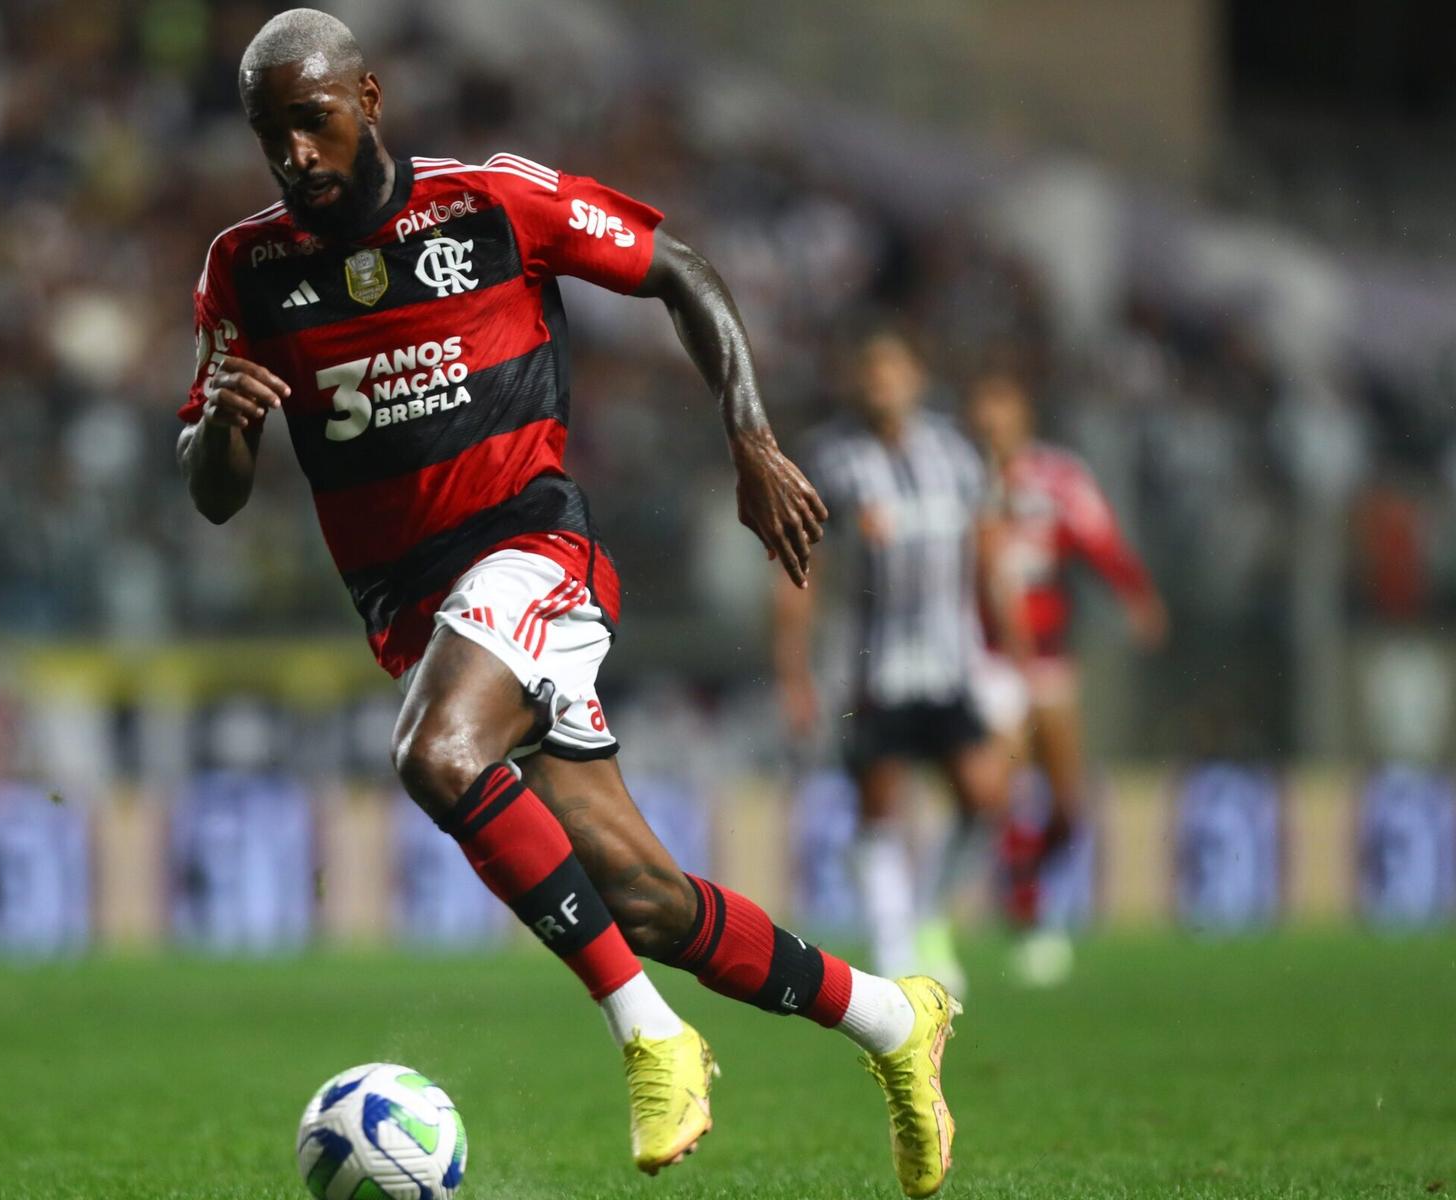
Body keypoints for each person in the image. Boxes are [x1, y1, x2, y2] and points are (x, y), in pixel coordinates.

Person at [179, 10, 959, 1194]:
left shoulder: (487, 204)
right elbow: (215, 494)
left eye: (313, 119)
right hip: (417, 611)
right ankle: (895, 1022)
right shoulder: (247, 268)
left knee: (438, 756)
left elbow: (680, 272)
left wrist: (747, 433)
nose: (294, 153)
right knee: (642, 897)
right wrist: (227, 430)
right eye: (268, 133)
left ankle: (651, 1039)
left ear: (370, 96)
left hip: (532, 552)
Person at [773, 323, 1013, 1001]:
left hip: (949, 662)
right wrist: (794, 672)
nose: (880, 381)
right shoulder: (830, 459)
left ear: (916, 375)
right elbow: (800, 571)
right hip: (869, 666)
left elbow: (989, 551)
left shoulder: (957, 454)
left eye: (892, 367)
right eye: (868, 369)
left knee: (984, 796)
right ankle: (893, 944)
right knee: (880, 806)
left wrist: (1010, 649)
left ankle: (929, 917)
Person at [965, 364, 1167, 985]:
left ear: (1024, 412)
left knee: (1069, 808)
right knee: (1001, 790)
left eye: (1003, 402)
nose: (991, 418)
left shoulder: (1058, 477)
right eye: (983, 404)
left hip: (1050, 656)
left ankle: (1023, 877)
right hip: (985, 655)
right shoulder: (957, 477)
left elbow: (1099, 542)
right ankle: (1027, 916)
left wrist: (1135, 595)